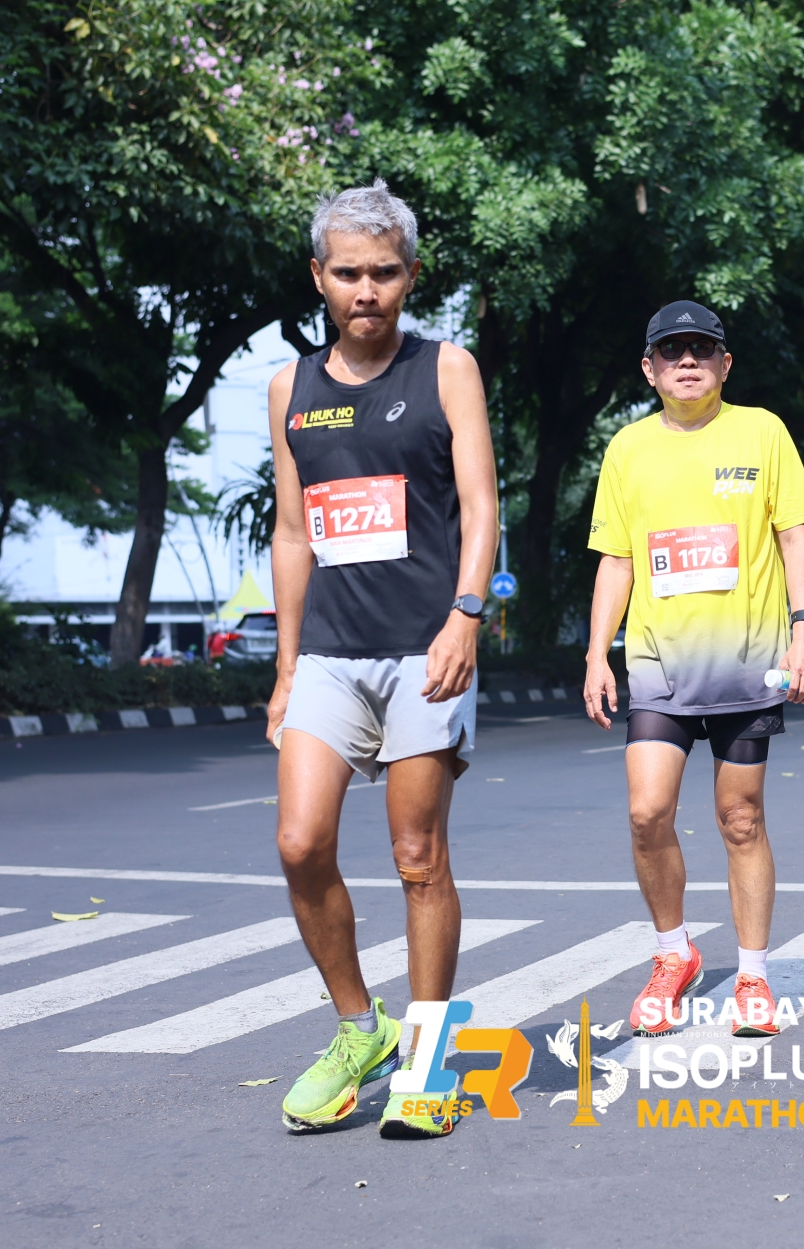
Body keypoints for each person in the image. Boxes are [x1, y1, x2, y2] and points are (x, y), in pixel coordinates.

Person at [264, 180, 498, 1138]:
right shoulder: (289, 388)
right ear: (318, 277)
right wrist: (285, 666)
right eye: (349, 273)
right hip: (328, 654)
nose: (367, 290)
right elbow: (292, 533)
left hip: (423, 652)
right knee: (299, 843)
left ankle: (428, 1059)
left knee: (417, 856)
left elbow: (480, 507)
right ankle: (360, 1029)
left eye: (386, 273)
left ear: (411, 277)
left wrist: (465, 617)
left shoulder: (447, 369)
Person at [583, 300, 804, 1039]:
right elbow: (616, 560)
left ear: (725, 363)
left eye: (701, 348)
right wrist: (596, 653)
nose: (686, 360)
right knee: (646, 811)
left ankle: (752, 976)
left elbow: (794, 539)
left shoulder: (763, 431)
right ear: (649, 368)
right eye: (671, 350)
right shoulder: (627, 448)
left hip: (748, 665)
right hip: (659, 665)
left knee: (740, 819)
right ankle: (673, 953)